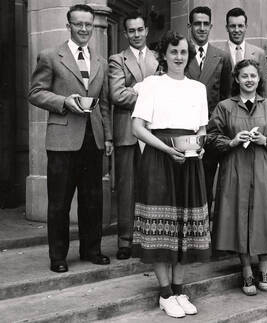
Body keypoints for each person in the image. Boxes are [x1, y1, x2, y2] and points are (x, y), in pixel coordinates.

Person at [131, 31, 210, 318]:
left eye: (184, 52)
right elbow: (138, 128)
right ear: (164, 54)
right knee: (160, 226)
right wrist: (166, 148)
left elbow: (201, 129)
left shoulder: (198, 88)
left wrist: (199, 147)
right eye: (174, 51)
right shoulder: (152, 85)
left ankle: (179, 289)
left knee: (183, 227)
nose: (179, 56)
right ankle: (165, 293)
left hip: (188, 161)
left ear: (189, 56)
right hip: (159, 158)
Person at [28, 4, 112, 273]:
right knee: (59, 202)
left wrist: (108, 137)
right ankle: (58, 256)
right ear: (69, 26)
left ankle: (91, 250)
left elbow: (105, 103)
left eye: (88, 24)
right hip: (63, 139)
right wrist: (64, 101)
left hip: (93, 139)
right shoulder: (51, 56)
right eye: (79, 24)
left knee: (92, 199)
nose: (85, 29)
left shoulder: (99, 59)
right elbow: (35, 92)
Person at [208, 59, 267, 296]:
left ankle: (263, 267)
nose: (249, 80)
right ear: (236, 79)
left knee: (263, 216)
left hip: (262, 167)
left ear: (259, 79)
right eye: (244, 76)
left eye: (253, 76)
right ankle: (245, 269)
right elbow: (212, 137)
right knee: (238, 216)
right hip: (235, 167)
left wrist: (265, 140)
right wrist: (232, 141)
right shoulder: (225, 107)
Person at [108, 13, 158, 260]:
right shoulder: (117, 60)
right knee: (127, 186)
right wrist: (148, 95)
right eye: (131, 30)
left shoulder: (158, 58)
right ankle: (125, 239)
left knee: (150, 184)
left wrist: (139, 91)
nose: (136, 34)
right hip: (127, 131)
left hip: (153, 129)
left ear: (146, 30)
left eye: (140, 29)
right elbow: (117, 94)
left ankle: (147, 237)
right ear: (125, 33)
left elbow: (165, 91)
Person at [186, 6, 232, 216]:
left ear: (211, 26)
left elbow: (226, 97)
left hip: (211, 130)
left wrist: (217, 126)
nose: (202, 28)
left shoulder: (222, 57)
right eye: (197, 23)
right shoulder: (181, 53)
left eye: (206, 24)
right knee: (185, 182)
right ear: (190, 26)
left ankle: (205, 234)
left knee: (206, 181)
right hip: (184, 130)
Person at [224, 7, 267, 97]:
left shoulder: (259, 53)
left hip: (253, 107)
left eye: (240, 26)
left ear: (246, 27)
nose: (237, 30)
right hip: (227, 108)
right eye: (233, 26)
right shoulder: (219, 53)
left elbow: (264, 87)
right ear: (227, 28)